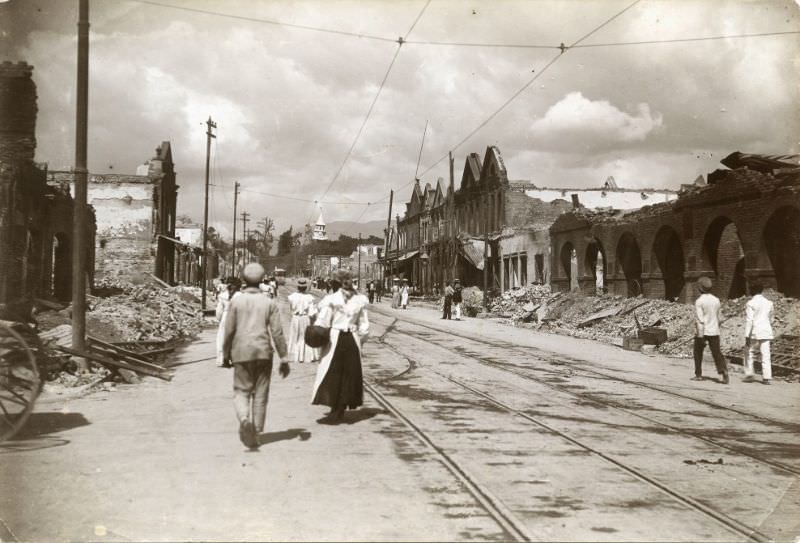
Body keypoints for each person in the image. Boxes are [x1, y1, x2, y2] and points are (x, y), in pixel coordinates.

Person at [223, 263, 289, 449]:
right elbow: (277, 332)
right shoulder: (269, 302)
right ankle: (257, 432)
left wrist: (226, 353)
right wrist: (284, 357)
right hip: (263, 352)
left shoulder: (236, 301)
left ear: (243, 279)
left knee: (241, 391)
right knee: (261, 393)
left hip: (241, 352)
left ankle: (244, 420)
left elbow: (229, 330)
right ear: (262, 280)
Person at [311, 268, 369, 423]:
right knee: (334, 371)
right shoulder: (332, 300)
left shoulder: (359, 300)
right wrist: (318, 332)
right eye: (345, 280)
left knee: (348, 373)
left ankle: (340, 407)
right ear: (339, 283)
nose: (347, 283)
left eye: (349, 280)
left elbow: (364, 323)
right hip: (336, 338)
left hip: (349, 338)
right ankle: (335, 406)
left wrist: (361, 338)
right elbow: (324, 320)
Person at [692, 276, 728, 384]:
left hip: (703, 331)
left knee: (698, 352)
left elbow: (700, 320)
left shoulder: (699, 301)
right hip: (714, 330)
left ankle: (698, 374)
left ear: (700, 288)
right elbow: (719, 317)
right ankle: (723, 370)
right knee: (717, 353)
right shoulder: (716, 300)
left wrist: (700, 336)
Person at [743, 282, 774, 385]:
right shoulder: (769, 303)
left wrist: (747, 335)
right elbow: (771, 319)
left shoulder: (750, 303)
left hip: (754, 331)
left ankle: (749, 374)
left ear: (753, 291)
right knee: (766, 354)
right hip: (766, 330)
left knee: (749, 352)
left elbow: (749, 320)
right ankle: (767, 377)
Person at [287, 278, 319, 364]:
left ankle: (295, 356)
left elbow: (290, 309)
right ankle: (306, 356)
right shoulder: (309, 298)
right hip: (305, 318)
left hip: (295, 318)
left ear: (298, 287)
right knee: (305, 336)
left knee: (295, 336)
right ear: (305, 287)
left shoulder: (292, 297)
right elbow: (312, 313)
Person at [215, 276, 241, 367]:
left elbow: (219, 311)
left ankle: (223, 358)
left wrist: (219, 319)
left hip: (225, 317)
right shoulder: (241, 296)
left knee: (222, 338)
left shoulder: (222, 296)